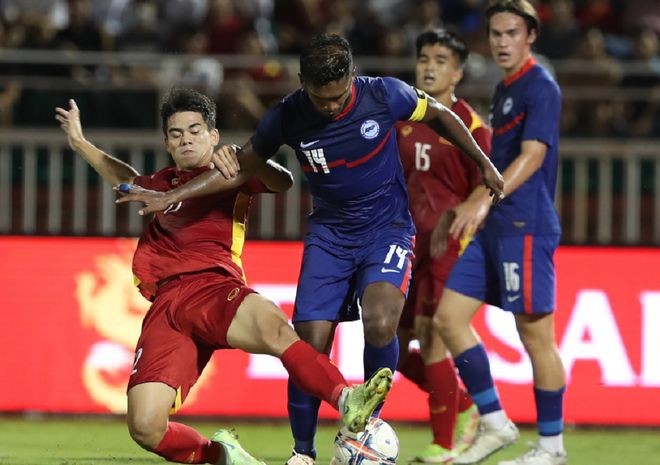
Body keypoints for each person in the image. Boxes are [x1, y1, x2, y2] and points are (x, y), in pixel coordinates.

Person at [115, 34, 504, 465]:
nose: (332, 107)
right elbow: (240, 168)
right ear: (303, 83)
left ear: (352, 77)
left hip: (386, 229)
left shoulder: (385, 94)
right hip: (329, 237)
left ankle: (366, 423)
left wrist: (483, 163)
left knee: (380, 323)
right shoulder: (286, 116)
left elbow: (441, 116)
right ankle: (303, 453)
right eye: (322, 99)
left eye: (339, 98)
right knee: (309, 342)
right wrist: (174, 195)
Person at [54, 87, 393, 465]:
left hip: (213, 287)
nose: (186, 139)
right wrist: (81, 143)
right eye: (177, 133)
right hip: (166, 308)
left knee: (274, 329)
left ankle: (348, 399)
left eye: (195, 130)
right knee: (146, 426)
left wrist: (246, 160)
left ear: (213, 135)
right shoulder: (161, 184)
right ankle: (226, 458)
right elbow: (126, 179)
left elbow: (283, 181)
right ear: (167, 142)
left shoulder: (227, 172)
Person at [431, 1, 566, 465]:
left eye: (511, 33)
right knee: (448, 318)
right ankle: (494, 423)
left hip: (525, 226)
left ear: (530, 36)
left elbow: (532, 156)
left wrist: (482, 198)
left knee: (536, 337)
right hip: (496, 228)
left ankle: (551, 447)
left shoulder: (540, 87)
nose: (502, 42)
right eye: (495, 34)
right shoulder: (507, 88)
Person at [394, 29, 491, 463]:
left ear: (457, 72)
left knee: (432, 339)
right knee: (391, 345)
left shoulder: (470, 126)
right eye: (423, 58)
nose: (429, 67)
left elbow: (489, 186)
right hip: (401, 244)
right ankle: (466, 404)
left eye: (439, 60)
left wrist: (470, 209)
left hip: (448, 248)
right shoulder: (400, 117)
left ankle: (443, 446)